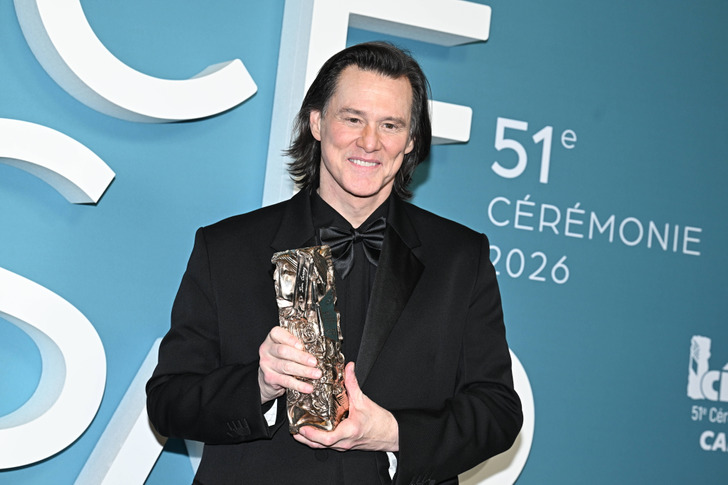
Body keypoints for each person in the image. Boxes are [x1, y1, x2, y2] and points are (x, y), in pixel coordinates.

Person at [146, 41, 522, 485]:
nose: (370, 142)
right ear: (317, 122)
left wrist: (392, 433)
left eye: (390, 125)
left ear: (411, 141)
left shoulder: (460, 257)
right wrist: (259, 384)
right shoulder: (227, 248)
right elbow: (168, 402)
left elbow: (498, 410)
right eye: (352, 118)